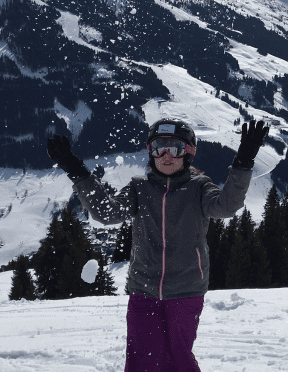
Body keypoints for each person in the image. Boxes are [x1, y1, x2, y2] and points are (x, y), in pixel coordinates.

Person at [47, 118, 269, 372]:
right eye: (158, 147)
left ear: (188, 153)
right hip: (144, 290)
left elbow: (226, 206)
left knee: (179, 358)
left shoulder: (199, 187)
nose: (165, 155)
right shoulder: (138, 188)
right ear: (150, 152)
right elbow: (106, 213)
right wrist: (76, 170)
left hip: (186, 291)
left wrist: (243, 161)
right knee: (143, 359)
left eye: (174, 148)